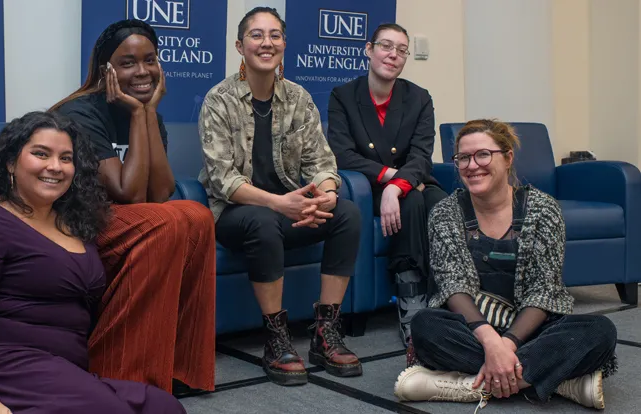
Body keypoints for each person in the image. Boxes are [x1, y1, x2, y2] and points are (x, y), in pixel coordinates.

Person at [0, 111, 185, 413]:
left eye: (66, 158)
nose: (55, 167)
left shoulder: (76, 225)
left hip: (64, 369)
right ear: (10, 162)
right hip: (4, 365)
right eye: (41, 154)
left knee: (164, 407)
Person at [394, 119, 618, 410]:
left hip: (532, 330)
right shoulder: (444, 213)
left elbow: (543, 290)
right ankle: (556, 381)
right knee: (425, 326)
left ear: (508, 157)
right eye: (463, 158)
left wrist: (508, 344)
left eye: (483, 154)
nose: (472, 165)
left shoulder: (543, 209)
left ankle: (470, 384)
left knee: (601, 331)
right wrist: (491, 343)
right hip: (473, 329)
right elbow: (453, 286)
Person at [197, 6, 363, 386]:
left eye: (274, 35)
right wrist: (277, 202)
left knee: (348, 214)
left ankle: (325, 333)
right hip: (238, 215)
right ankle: (276, 338)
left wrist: (326, 194)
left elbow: (321, 161)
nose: (266, 42)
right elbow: (222, 179)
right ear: (240, 45)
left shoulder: (299, 98)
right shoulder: (218, 100)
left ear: (284, 44)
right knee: (263, 219)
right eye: (256, 35)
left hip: (289, 211)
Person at [50, 19, 216, 395]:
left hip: (126, 221)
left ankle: (182, 368)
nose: (142, 71)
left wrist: (145, 114)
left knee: (198, 216)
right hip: (79, 221)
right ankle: (119, 375)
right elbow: (126, 192)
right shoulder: (81, 113)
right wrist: (140, 114)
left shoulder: (149, 112)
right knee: (165, 223)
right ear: (105, 69)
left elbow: (160, 192)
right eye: (127, 63)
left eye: (150, 60)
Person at [327, 23, 447, 346]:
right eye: (386, 46)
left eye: (401, 50)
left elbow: (422, 156)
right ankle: (412, 305)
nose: (393, 55)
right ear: (369, 50)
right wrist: (392, 180)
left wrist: (400, 185)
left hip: (415, 180)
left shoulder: (419, 98)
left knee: (442, 205)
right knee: (413, 202)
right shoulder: (343, 97)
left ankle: (450, 298)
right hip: (372, 185)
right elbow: (341, 154)